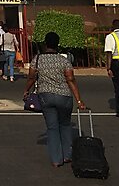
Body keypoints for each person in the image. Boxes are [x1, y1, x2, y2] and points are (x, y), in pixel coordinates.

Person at [22, 31, 86, 168]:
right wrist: (79, 100)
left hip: (46, 97)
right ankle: (68, 154)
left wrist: (26, 90)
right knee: (65, 124)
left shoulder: (37, 59)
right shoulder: (64, 60)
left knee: (52, 128)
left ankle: (56, 159)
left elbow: (31, 78)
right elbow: (71, 79)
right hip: (65, 97)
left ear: (45, 44)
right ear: (57, 44)